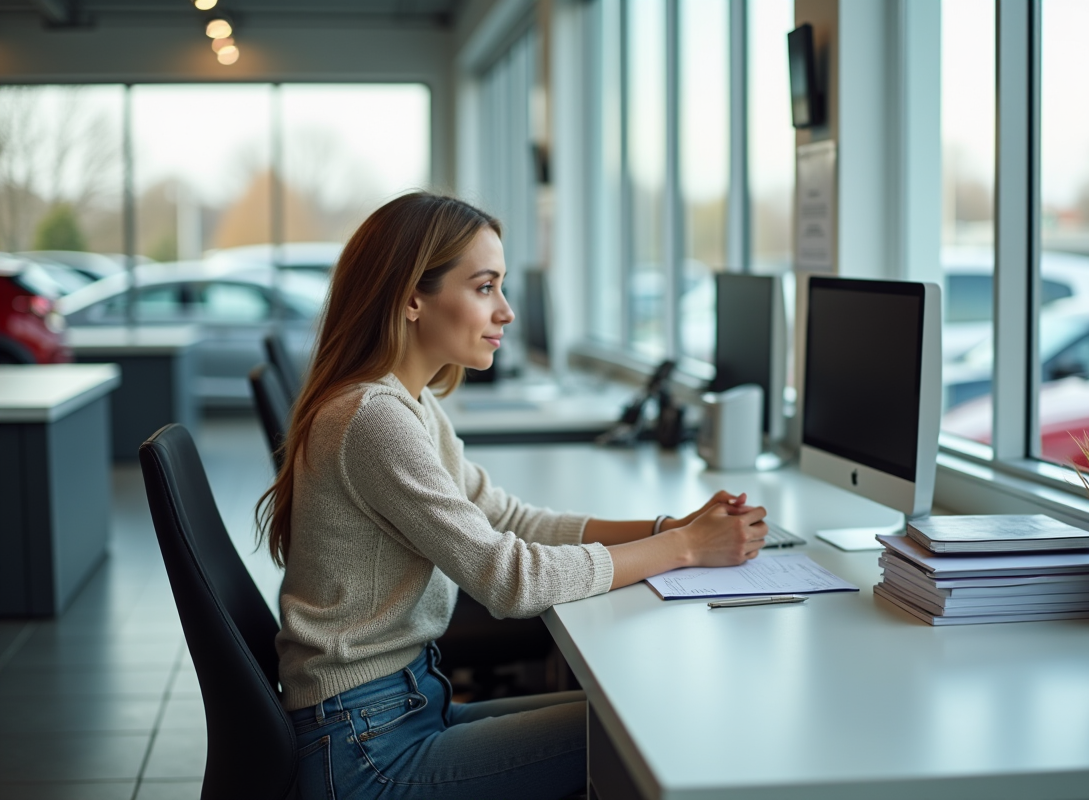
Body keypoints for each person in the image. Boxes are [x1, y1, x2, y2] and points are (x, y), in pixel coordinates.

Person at [256, 192, 769, 799]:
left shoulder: (411, 404)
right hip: (366, 750)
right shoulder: (372, 420)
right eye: (484, 287)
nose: (506, 311)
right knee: (648, 735)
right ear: (412, 298)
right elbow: (509, 579)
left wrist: (663, 528)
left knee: (630, 722)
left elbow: (506, 517)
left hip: (399, 709)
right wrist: (684, 549)